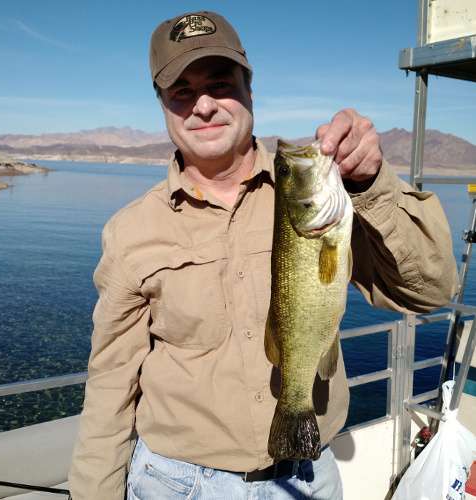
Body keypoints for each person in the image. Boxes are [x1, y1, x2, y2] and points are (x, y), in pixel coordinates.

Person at [69, 10, 458, 500]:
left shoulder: (320, 192)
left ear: (249, 89)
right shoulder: (130, 231)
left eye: (219, 83)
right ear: (163, 105)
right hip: (176, 483)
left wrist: (369, 185)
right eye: (182, 92)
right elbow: (111, 384)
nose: (203, 105)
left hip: (308, 475)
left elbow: (430, 291)